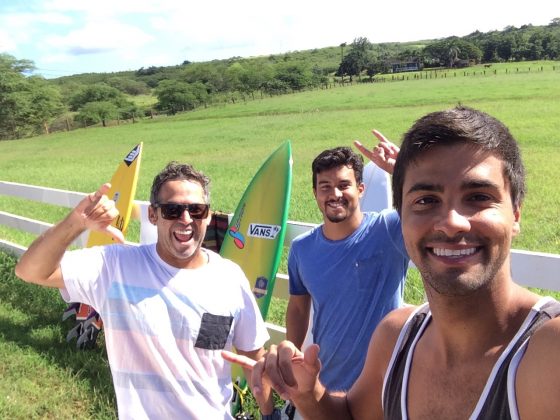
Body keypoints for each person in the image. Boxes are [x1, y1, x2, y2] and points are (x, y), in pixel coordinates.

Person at [224, 106, 560, 419]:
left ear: (516, 212)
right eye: (426, 200)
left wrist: (401, 171)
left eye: (478, 197)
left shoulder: (548, 350)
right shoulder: (397, 337)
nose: (451, 221)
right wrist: (307, 393)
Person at [15, 162, 273, 419]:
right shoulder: (114, 266)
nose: (186, 219)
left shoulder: (228, 277)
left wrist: (269, 412)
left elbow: (254, 358)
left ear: (207, 215)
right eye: (172, 210)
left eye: (196, 210)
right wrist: (76, 223)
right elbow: (30, 271)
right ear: (153, 215)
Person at [286, 136, 409, 393]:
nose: (335, 194)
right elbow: (298, 308)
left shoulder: (389, 229)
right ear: (315, 193)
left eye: (344, 185)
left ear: (360, 189)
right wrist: (292, 354)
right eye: (325, 187)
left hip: (386, 385)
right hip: (328, 383)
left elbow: (428, 209)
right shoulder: (301, 249)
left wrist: (404, 173)